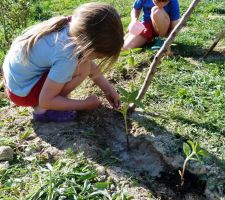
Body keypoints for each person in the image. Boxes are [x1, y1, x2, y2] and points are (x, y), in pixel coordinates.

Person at [2, 2, 124, 122]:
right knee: (84, 67)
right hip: (22, 94)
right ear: (88, 46)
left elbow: (91, 65)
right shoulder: (67, 56)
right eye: (97, 57)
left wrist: (108, 90)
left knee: (84, 64)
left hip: (15, 84)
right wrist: (85, 104)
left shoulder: (69, 27)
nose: (96, 60)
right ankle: (43, 111)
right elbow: (46, 99)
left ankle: (50, 101)